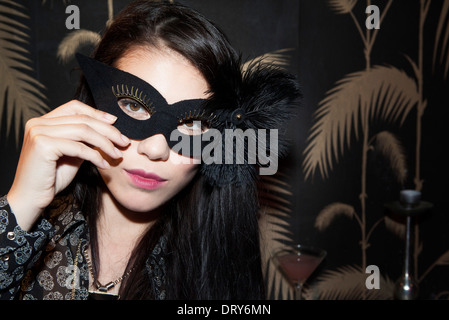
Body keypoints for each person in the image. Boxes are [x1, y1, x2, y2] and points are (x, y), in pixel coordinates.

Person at [0, 0, 300, 300]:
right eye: (133, 105)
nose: (156, 149)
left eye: (192, 123)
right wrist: (21, 206)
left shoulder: (214, 269)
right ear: (92, 103)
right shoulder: (29, 228)